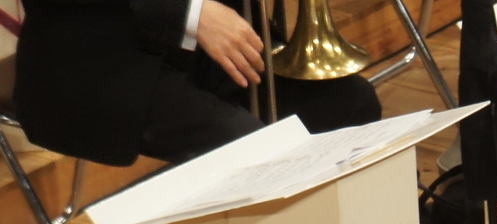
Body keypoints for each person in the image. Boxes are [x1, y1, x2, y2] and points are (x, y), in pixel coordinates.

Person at [12, 0, 380, 166]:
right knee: (249, 148)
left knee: (350, 103)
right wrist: (190, 11)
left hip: (213, 45)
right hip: (101, 58)